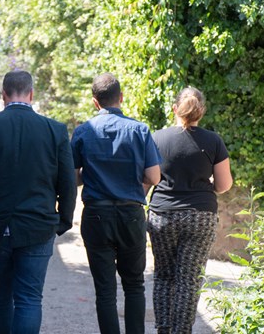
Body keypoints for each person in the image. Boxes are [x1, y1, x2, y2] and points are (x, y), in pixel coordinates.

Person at [0, 70, 77, 334]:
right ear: (32, 94)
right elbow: (67, 183)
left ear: (3, 95)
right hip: (38, 227)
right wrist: (62, 222)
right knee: (29, 299)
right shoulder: (55, 131)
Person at [70, 73, 162, 334]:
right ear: (121, 98)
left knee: (105, 289)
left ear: (94, 102)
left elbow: (70, 177)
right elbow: (154, 176)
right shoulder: (140, 130)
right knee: (134, 284)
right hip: (131, 214)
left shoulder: (83, 131)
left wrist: (88, 174)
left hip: (96, 215)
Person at [147, 86, 233, 334]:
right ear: (201, 112)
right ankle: (182, 331)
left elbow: (149, 179)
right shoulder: (213, 141)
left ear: (175, 109)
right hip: (200, 216)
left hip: (162, 215)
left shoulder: (156, 138)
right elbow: (224, 184)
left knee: (164, 275)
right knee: (189, 279)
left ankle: (164, 330)